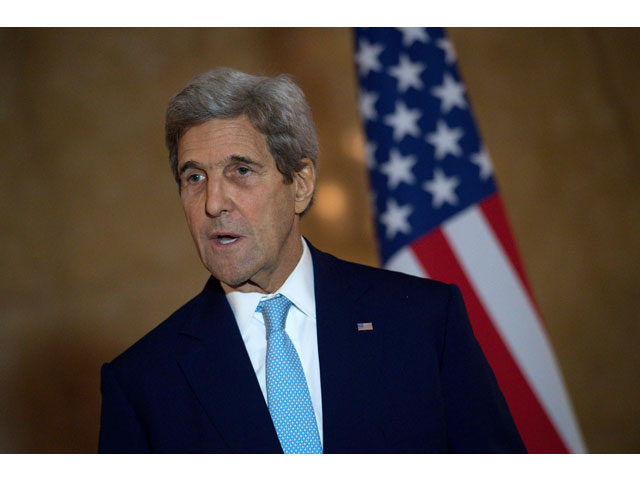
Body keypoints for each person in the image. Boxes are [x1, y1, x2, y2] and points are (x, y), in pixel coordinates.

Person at [98, 67, 526, 454]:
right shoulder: (142, 385)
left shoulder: (423, 320)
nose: (213, 203)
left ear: (300, 185)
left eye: (240, 171)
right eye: (195, 178)